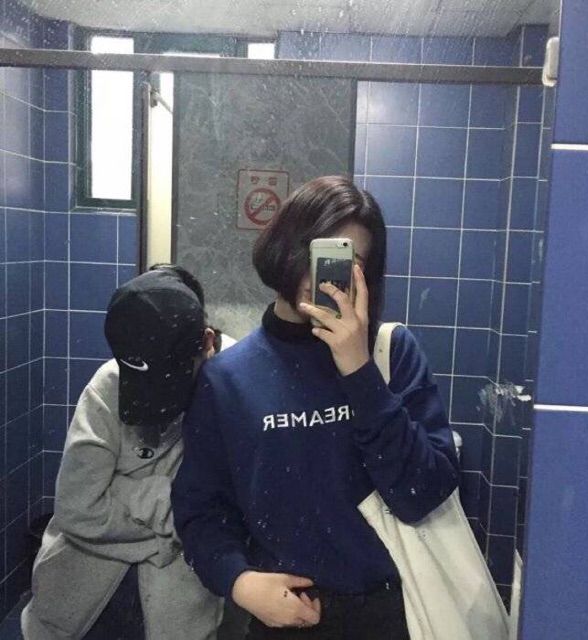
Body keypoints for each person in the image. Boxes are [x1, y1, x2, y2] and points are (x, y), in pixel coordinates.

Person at [171, 176, 460, 639]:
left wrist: (359, 371)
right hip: (284, 618)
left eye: (346, 261)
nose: (323, 274)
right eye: (317, 251)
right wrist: (240, 582)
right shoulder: (226, 379)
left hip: (398, 616)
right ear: (283, 247)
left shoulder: (391, 354)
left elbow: (422, 493)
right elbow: (200, 510)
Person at [22, 265, 232, 640]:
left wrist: (122, 497)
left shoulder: (234, 386)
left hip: (178, 614)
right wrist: (170, 524)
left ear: (206, 342)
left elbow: (226, 513)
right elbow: (77, 509)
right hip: (75, 606)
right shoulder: (109, 384)